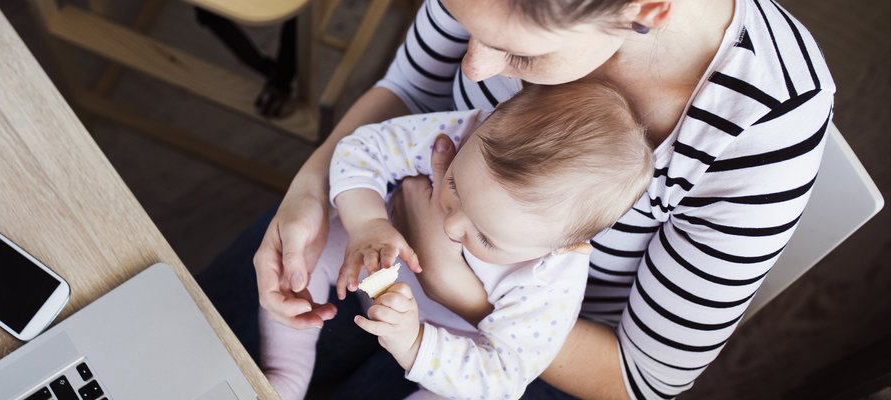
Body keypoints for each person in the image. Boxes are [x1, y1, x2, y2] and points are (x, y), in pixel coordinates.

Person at [200, 0, 834, 398]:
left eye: (518, 53)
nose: (475, 71)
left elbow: (642, 381)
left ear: (647, 10)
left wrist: (457, 287)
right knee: (190, 346)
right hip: (383, 218)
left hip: (537, 344)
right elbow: (411, 91)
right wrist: (310, 189)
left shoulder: (768, 118)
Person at [258, 81, 653, 399]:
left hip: (453, 340)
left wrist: (415, 342)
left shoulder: (551, 281)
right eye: (454, 186)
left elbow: (501, 377)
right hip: (376, 250)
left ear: (564, 246)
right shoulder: (466, 133)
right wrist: (367, 223)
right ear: (485, 124)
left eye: (484, 236)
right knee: (305, 255)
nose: (450, 227)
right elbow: (363, 148)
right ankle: (284, 376)